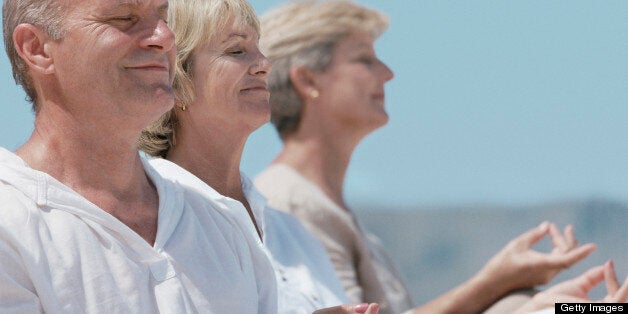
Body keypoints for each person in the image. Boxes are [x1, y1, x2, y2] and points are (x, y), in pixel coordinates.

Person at [253, 1, 596, 313]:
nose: (387, 73)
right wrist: (495, 281)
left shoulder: (321, 205)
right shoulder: (290, 203)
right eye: (364, 59)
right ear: (307, 79)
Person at [0, 0, 276, 312]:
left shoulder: (218, 217)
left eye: (163, 16)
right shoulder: (9, 222)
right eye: (124, 18)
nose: (164, 36)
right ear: (37, 48)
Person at [139, 0, 376, 313]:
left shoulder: (291, 231)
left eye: (259, 49)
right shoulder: (150, 215)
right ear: (176, 78)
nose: (264, 64)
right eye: (237, 51)